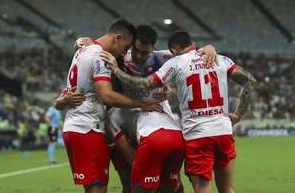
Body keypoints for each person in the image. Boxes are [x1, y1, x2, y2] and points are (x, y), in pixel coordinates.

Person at [100, 30, 257, 193]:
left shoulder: (176, 62)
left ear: (173, 51)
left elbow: (143, 84)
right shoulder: (220, 59)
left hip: (198, 134)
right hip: (224, 132)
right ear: (194, 45)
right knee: (228, 189)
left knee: (203, 188)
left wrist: (116, 70)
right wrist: (238, 114)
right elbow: (250, 81)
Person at [59, 19, 162, 193]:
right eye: (126, 47)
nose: (126, 52)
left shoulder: (84, 49)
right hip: (88, 128)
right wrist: (142, 104)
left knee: (100, 186)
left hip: (80, 126)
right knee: (99, 188)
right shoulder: (101, 56)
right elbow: (106, 95)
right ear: (118, 38)